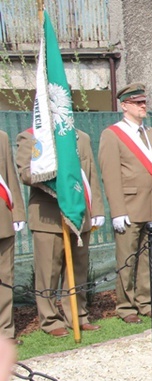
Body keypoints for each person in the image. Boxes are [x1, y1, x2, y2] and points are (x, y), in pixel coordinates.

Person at [17, 128, 105, 337]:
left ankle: (78, 315)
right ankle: (50, 320)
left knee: (78, 269)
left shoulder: (81, 137)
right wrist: (56, 171)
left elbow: (90, 175)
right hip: (48, 214)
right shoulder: (30, 136)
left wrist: (98, 209)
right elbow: (25, 174)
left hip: (78, 213)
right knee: (49, 272)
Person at [99, 83, 152, 324]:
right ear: (125, 105)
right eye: (138, 103)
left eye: (144, 102)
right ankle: (126, 306)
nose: (143, 106)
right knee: (127, 259)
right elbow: (110, 176)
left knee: (148, 259)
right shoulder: (113, 134)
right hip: (129, 207)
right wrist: (117, 211)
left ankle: (146, 302)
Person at [0, 130, 25, 344]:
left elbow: (10, 176)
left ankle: (4, 332)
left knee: (5, 278)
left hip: (3, 217)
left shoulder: (1, 137)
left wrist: (17, 212)